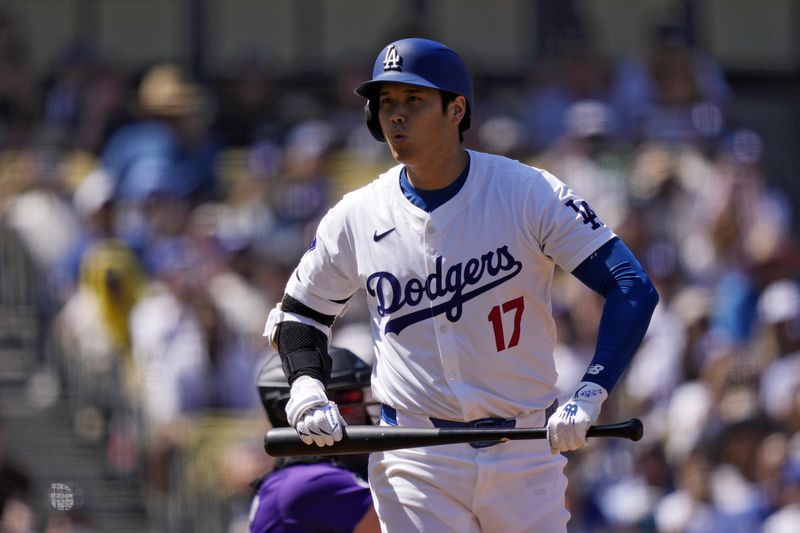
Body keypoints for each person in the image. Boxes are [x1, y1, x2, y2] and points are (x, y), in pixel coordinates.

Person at [262, 37, 659, 532]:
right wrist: (304, 383)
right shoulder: (357, 215)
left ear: (457, 109)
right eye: (386, 103)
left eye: (414, 100)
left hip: (524, 451)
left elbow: (631, 285)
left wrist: (592, 390)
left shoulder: (527, 192)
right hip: (414, 455)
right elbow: (300, 313)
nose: (396, 116)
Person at [249, 346, 380, 532]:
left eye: (358, 395)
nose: (361, 410)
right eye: (349, 398)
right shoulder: (311, 480)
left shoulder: (305, 475)